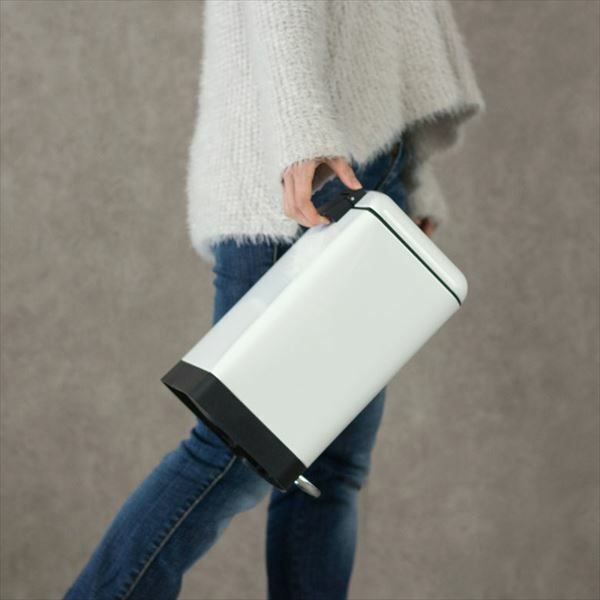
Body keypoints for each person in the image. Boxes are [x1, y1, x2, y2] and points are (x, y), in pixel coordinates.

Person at [65, 1, 484, 599]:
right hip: (303, 174)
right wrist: (301, 132)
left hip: (366, 173)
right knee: (234, 450)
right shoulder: (301, 144)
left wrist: (412, 182)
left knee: (332, 471)